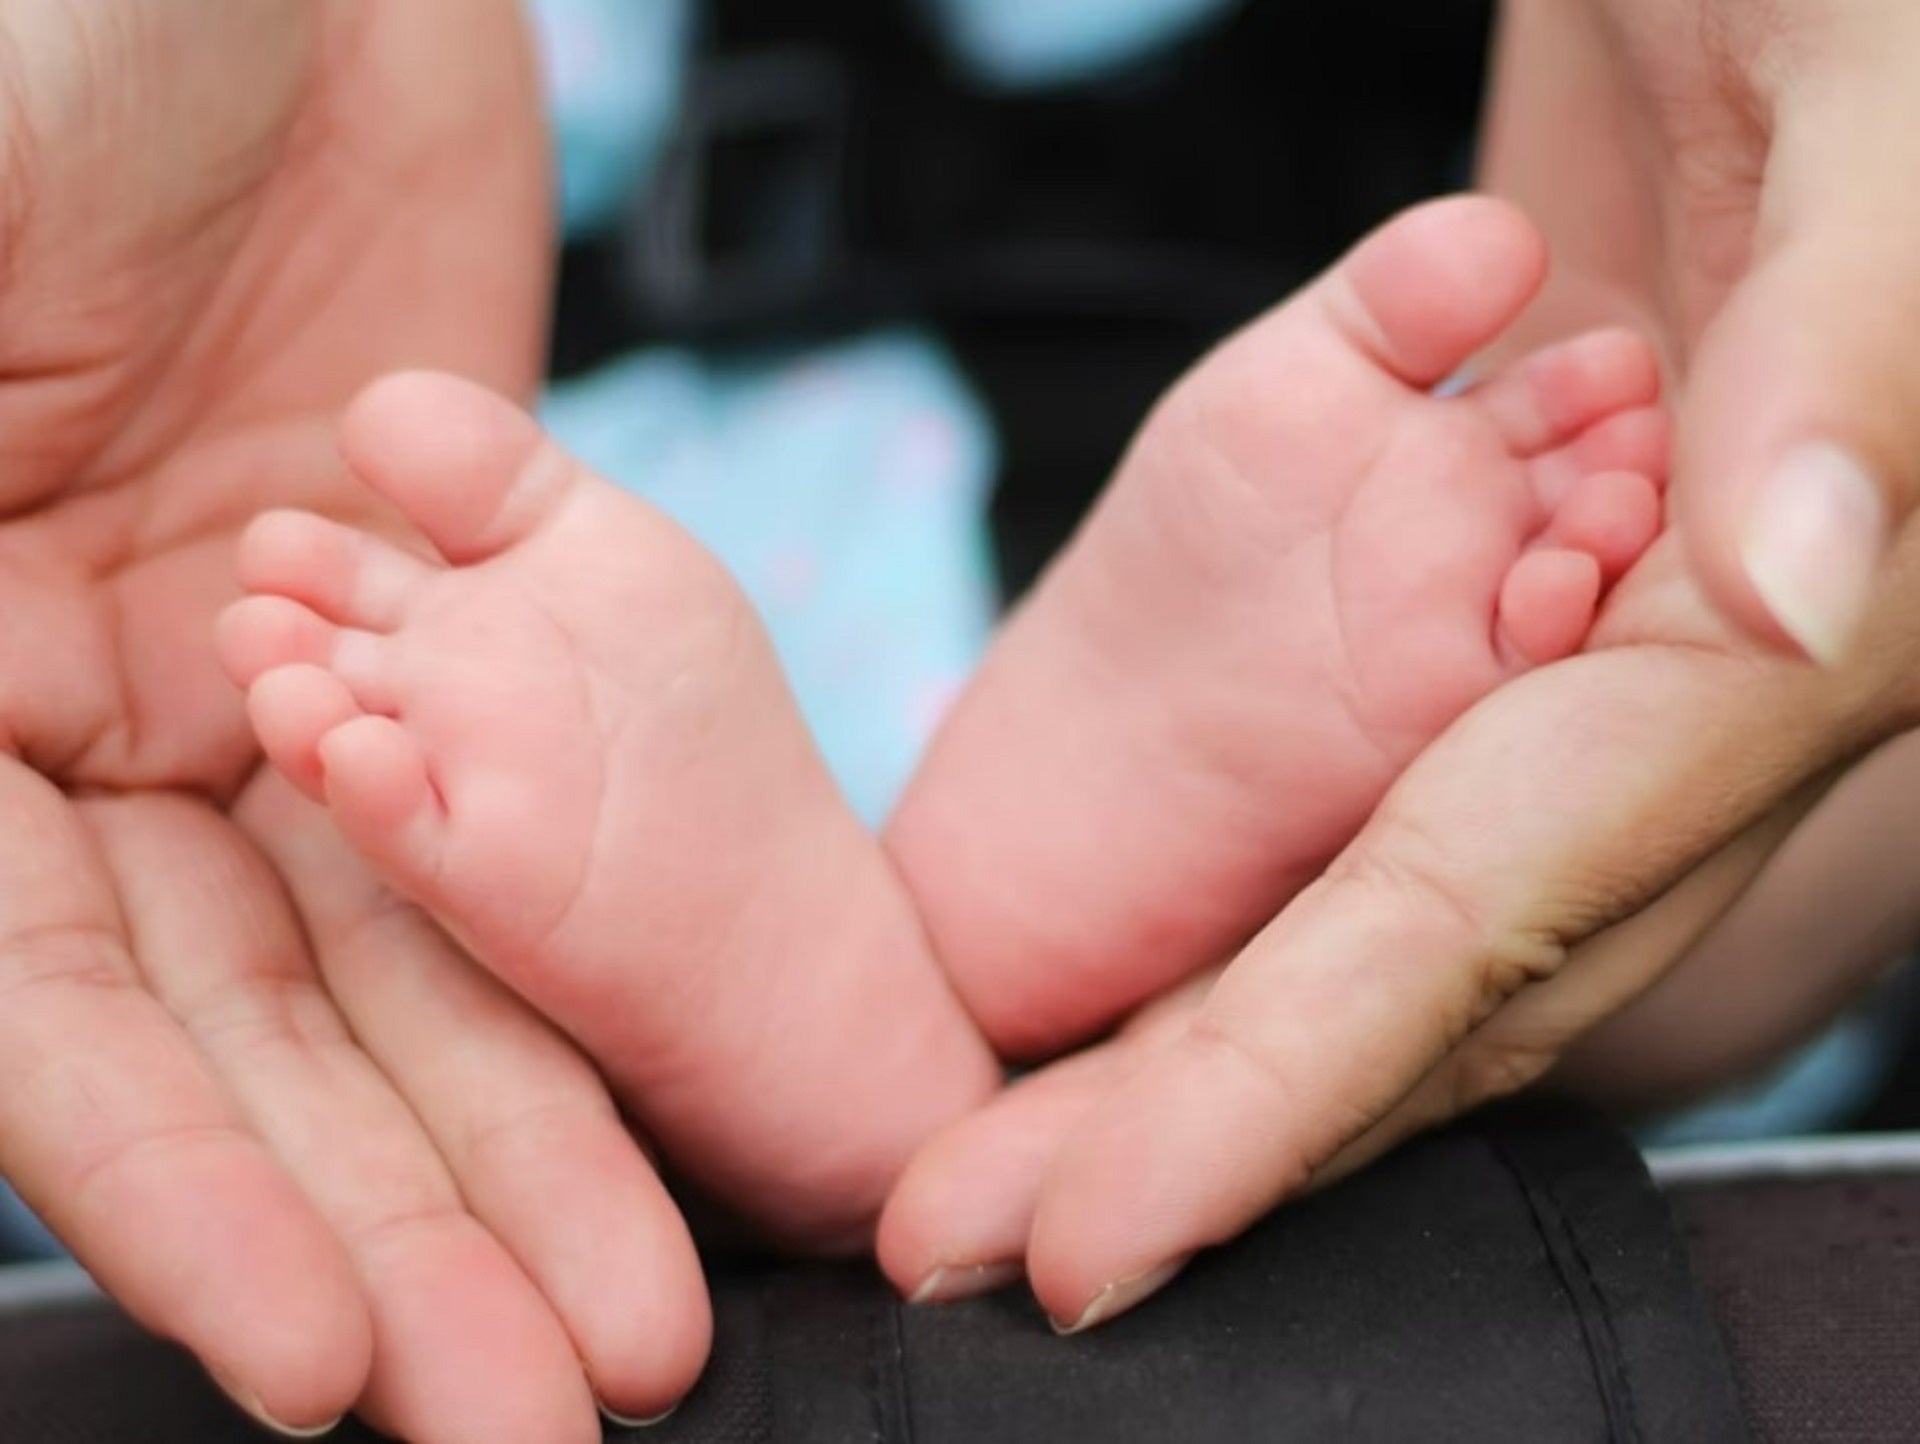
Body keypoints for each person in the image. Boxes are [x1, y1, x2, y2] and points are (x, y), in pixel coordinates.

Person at [0, 1, 1917, 1440]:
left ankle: (842, 978)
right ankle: (902, 946)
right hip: (1008, 447)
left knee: (1730, 688)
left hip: (624, 495)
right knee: (1676, 679)